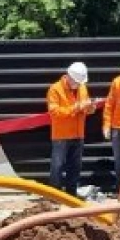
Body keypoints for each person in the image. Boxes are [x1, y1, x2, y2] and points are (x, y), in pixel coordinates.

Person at [48, 62, 96, 197]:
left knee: (75, 167)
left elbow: (85, 110)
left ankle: (71, 194)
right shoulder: (55, 89)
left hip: (78, 134)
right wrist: (76, 108)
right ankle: (54, 195)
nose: (78, 84)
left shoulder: (82, 87)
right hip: (61, 136)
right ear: (69, 77)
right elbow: (55, 112)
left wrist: (90, 108)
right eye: (76, 81)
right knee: (57, 167)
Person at [103, 55, 120, 192]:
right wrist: (106, 125)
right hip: (118, 128)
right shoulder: (117, 82)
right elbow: (109, 105)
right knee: (119, 161)